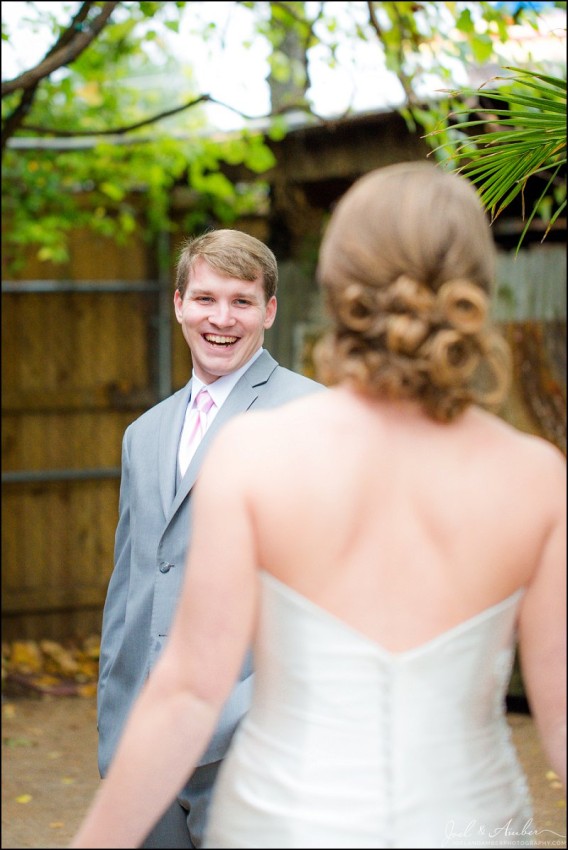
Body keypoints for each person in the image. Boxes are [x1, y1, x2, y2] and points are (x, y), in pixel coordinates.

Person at [73, 162, 566, 849]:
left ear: (335, 289)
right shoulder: (537, 477)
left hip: (285, 813)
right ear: (478, 290)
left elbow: (189, 692)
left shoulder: (259, 451)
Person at [95, 227, 324, 849]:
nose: (221, 318)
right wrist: (117, 735)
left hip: (255, 750)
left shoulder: (313, 417)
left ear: (270, 311)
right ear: (178, 303)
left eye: (242, 301)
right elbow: (130, 591)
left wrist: (232, 720)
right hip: (145, 756)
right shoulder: (143, 433)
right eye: (205, 298)